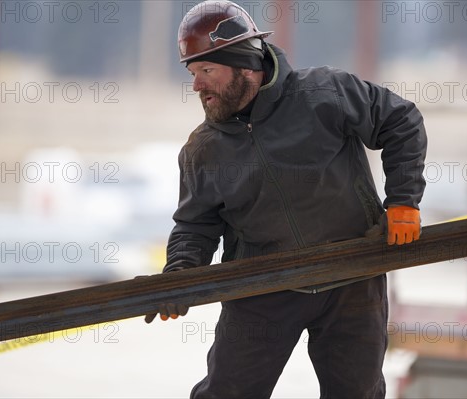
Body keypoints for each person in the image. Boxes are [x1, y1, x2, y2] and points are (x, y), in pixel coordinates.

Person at [144, 1, 427, 398]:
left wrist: (403, 201)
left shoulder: (325, 93)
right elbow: (196, 225)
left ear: (246, 65)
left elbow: (401, 121)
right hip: (261, 286)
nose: (197, 85)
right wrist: (181, 274)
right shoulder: (203, 149)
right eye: (193, 73)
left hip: (351, 276)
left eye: (207, 70)